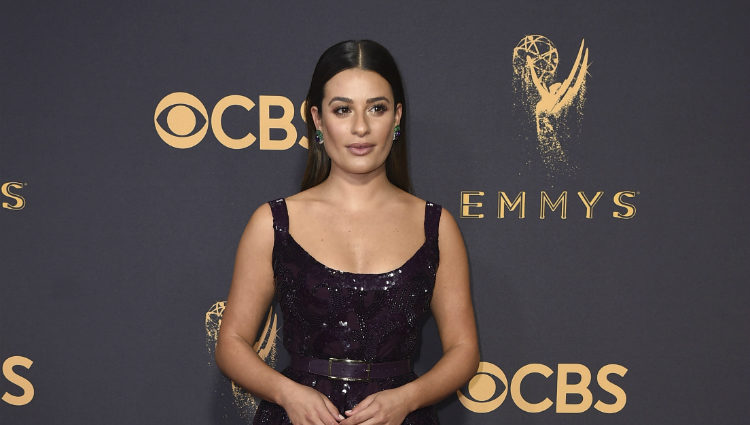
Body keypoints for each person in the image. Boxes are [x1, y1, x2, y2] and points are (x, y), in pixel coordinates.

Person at [215, 40, 479, 425]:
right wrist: (287, 392)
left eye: (377, 108)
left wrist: (407, 399)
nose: (360, 127)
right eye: (343, 109)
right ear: (318, 120)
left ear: (397, 117)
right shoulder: (273, 222)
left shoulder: (436, 226)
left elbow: (463, 349)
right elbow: (231, 343)